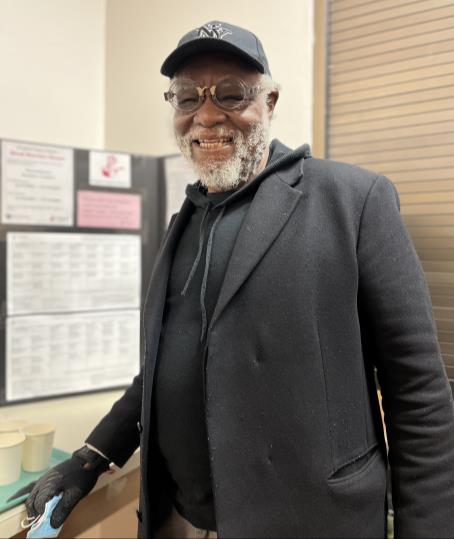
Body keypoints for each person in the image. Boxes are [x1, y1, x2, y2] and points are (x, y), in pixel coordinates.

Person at [11, 20, 454, 538]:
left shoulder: (352, 201)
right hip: (178, 520)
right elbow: (160, 371)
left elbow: (418, 393)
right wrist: (91, 456)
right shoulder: (186, 221)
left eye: (230, 94)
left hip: (309, 522)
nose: (205, 115)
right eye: (185, 99)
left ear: (269, 102)